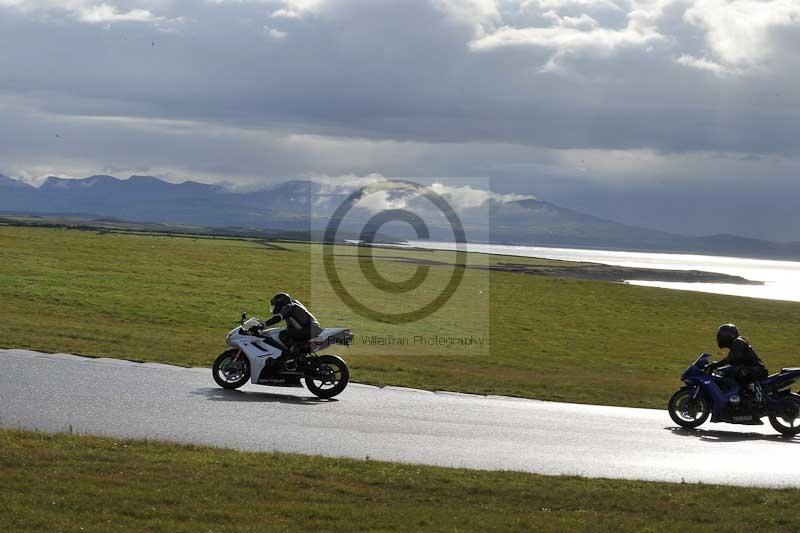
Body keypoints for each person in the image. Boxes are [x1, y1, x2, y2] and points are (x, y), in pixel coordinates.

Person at [710, 324, 768, 406]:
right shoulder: (735, 344)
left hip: (756, 369)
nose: (719, 337)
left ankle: (758, 397)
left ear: (729, 335)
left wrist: (717, 365)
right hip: (751, 368)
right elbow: (732, 360)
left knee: (741, 373)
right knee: (727, 373)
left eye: (721, 335)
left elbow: (734, 357)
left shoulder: (738, 342)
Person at [260, 293, 323, 368]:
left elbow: (278, 318)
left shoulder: (289, 307)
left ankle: (291, 359)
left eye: (275, 305)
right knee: (287, 332)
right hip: (310, 329)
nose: (274, 308)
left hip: (309, 329)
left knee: (283, 334)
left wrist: (263, 325)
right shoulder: (293, 306)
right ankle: (296, 357)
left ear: (280, 304)